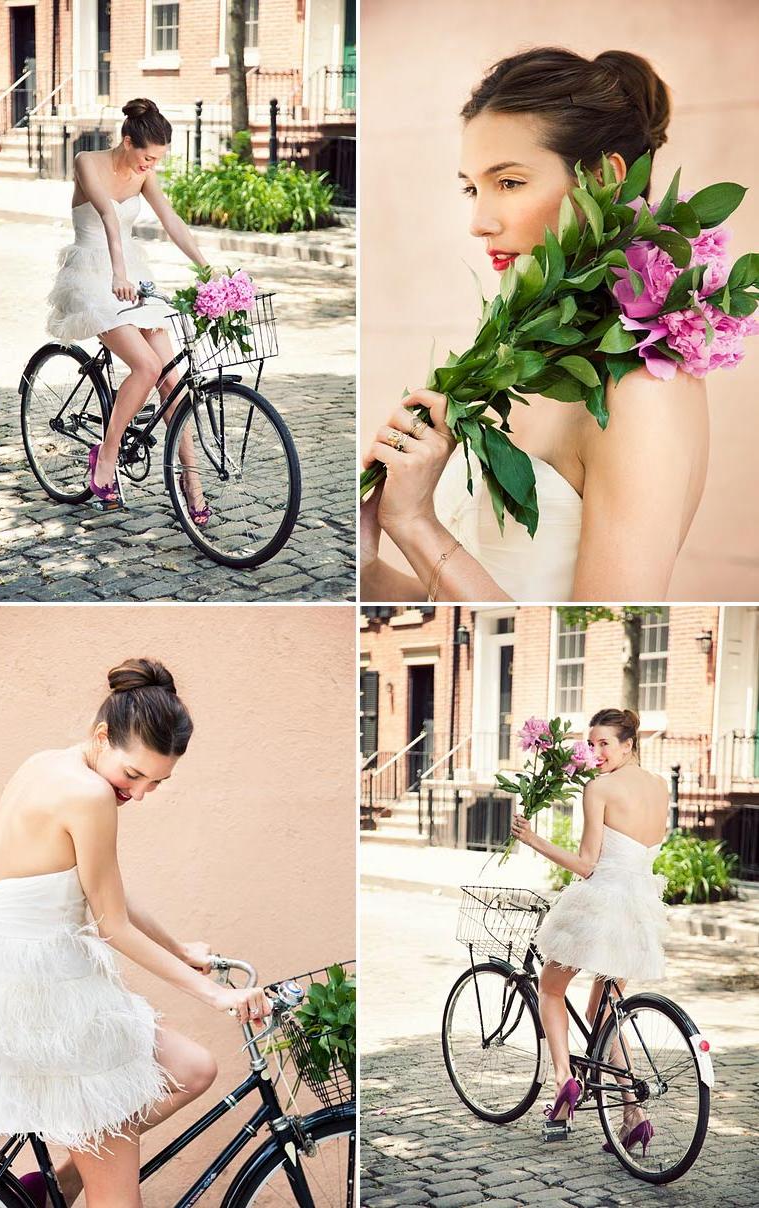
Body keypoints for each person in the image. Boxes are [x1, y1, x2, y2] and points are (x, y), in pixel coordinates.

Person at [361, 48, 709, 602]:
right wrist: (368, 566)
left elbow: (591, 614)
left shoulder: (643, 390)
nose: (479, 222)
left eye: (510, 183)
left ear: (603, 178)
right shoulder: (524, 357)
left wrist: (416, 525)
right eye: (472, 188)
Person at [0, 658, 270, 1208]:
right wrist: (217, 995)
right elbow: (112, 924)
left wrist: (179, 949)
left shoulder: (45, 764)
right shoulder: (90, 795)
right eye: (134, 774)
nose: (141, 792)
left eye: (157, 782)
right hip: (56, 1004)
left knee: (195, 1068)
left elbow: (100, 890)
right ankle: (89, 1175)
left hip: (26, 986)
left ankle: (61, 1178)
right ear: (102, 735)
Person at [510, 708, 669, 1154]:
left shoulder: (599, 789)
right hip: (637, 908)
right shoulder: (659, 786)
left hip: (600, 903)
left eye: (604, 744)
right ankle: (633, 1115)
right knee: (606, 1017)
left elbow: (585, 865)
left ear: (627, 745)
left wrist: (534, 839)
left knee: (550, 988)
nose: (594, 753)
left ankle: (564, 1084)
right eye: (590, 743)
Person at [45, 97, 212, 522]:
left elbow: (172, 220)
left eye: (158, 160)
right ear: (126, 141)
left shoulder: (145, 174)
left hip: (131, 275)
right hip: (91, 274)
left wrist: (210, 269)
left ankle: (190, 481)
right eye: (147, 157)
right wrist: (118, 274)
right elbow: (106, 217)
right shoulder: (88, 161)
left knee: (173, 380)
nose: (151, 166)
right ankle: (107, 454)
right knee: (145, 367)